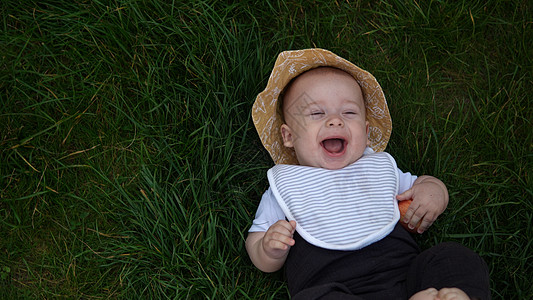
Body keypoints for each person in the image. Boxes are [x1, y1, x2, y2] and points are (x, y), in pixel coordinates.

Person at [246, 49, 490, 300]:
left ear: (365, 130)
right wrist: (269, 249)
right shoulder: (286, 187)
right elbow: (257, 249)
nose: (335, 121)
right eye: (317, 113)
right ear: (288, 136)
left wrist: (434, 191)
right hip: (332, 285)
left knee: (451, 257)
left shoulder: (376, 168)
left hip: (406, 279)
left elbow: (420, 185)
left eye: (349, 113)